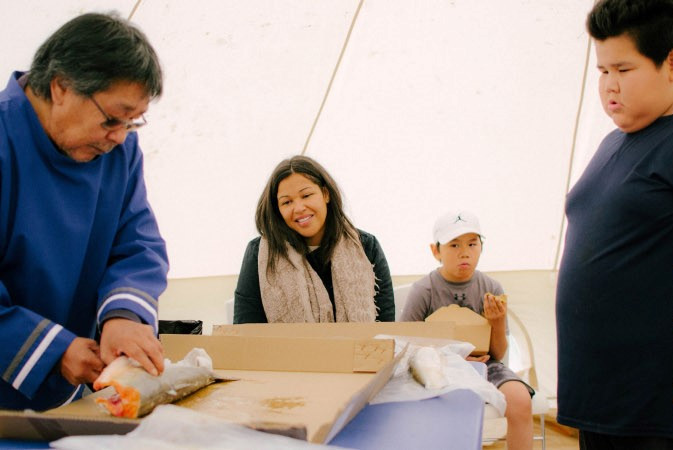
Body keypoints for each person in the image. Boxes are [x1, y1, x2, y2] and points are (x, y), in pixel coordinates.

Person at [0, 13, 168, 411]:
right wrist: (53, 350)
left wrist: (124, 317)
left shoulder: (120, 151)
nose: (120, 137)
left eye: (133, 122)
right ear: (60, 87)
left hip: (71, 400)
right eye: (112, 119)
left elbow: (138, 243)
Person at [556, 1, 673, 448]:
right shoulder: (613, 142)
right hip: (600, 400)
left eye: (623, 69)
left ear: (669, 63)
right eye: (603, 71)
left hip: (653, 411)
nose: (609, 86)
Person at [401, 210, 534, 450]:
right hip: (437, 367)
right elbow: (405, 344)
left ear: (481, 247)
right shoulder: (424, 290)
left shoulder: (491, 287)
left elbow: (498, 353)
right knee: (447, 404)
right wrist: (452, 354)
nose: (465, 252)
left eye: (472, 244)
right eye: (454, 245)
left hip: (486, 366)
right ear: (436, 251)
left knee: (521, 399)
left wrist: (498, 321)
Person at [234, 155, 394, 323]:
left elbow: (386, 329)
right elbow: (246, 330)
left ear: (325, 194)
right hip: (287, 350)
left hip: (360, 350)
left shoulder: (367, 247)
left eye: (306, 195)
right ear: (277, 209)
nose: (299, 208)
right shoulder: (259, 254)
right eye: (287, 202)